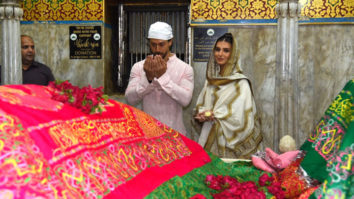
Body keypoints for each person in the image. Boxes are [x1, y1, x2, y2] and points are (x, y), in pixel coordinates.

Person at [194, 33, 262, 159]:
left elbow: (243, 120)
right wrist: (202, 114)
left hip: (231, 146)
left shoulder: (240, 83)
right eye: (217, 49)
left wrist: (217, 115)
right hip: (209, 135)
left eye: (226, 51)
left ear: (233, 54)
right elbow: (202, 106)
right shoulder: (211, 80)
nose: (220, 54)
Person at [125, 21, 194, 136]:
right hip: (147, 133)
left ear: (170, 42)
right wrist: (148, 79)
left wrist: (162, 77)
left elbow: (186, 100)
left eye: (161, 44)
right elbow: (130, 99)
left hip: (175, 134)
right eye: (153, 44)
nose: (157, 49)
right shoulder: (139, 67)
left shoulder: (185, 68)